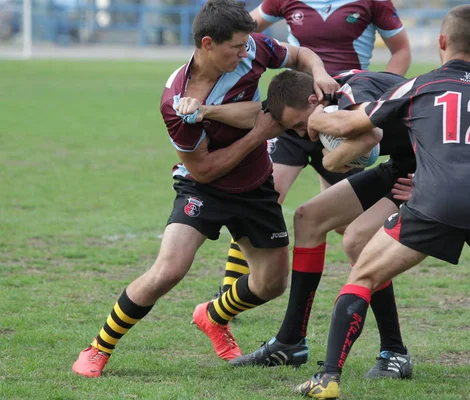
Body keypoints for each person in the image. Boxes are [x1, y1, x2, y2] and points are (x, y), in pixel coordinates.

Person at [293, 5, 470, 398]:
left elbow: (350, 125)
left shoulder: (419, 85)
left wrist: (315, 121)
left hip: (434, 204)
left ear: (441, 41)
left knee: (362, 273)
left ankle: (328, 378)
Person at [71, 0, 339, 378]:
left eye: (247, 45)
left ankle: (213, 316)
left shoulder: (253, 50)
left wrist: (321, 72)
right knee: (169, 270)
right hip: (203, 188)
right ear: (208, 44)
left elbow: (300, 53)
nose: (245, 53)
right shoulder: (176, 101)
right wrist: (259, 134)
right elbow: (206, 169)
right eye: (236, 47)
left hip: (256, 184)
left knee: (272, 283)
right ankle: (98, 348)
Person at [228, 69, 416, 380]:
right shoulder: (328, 89)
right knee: (308, 218)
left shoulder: (352, 90)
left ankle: (394, 351)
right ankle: (291, 341)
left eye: (303, 124)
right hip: (401, 165)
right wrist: (203, 110)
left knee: (356, 240)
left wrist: (330, 160)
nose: (305, 134)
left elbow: (371, 136)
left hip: (429, 171)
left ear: (315, 101)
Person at [215, 0, 412, 296]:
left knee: (347, 225)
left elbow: (401, 49)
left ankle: (373, 284)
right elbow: (243, 31)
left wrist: (381, 101)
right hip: (298, 109)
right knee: (268, 195)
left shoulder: (373, 2)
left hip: (345, 116)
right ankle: (230, 287)